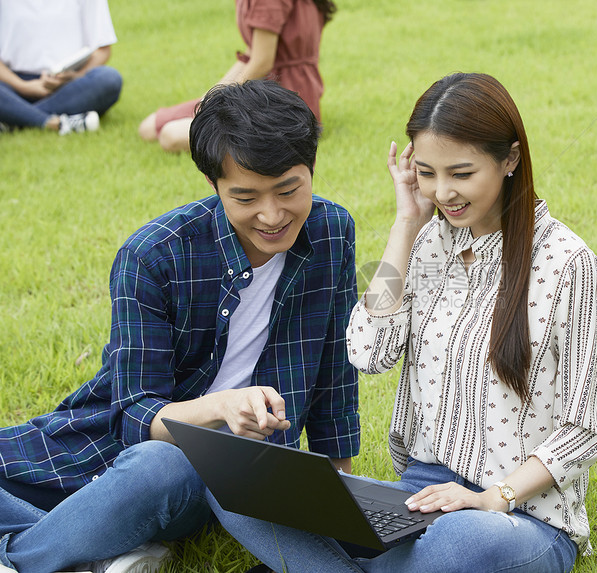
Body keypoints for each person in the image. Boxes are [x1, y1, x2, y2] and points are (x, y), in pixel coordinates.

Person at [210, 72, 597, 573]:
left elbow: (584, 430)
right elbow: (367, 350)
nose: (443, 192)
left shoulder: (568, 266)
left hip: (517, 516)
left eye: (461, 174)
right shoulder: (427, 245)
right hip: (419, 496)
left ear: (510, 159)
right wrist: (406, 224)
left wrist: (496, 497)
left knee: (457, 546)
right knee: (247, 492)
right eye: (426, 172)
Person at [0, 80, 360, 573]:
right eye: (245, 196)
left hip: (208, 479)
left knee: (163, 465)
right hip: (101, 451)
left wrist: (340, 493)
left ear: (311, 170)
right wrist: (221, 406)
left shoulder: (332, 232)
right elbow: (133, 419)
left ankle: (26, 558)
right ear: (213, 186)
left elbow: (335, 372)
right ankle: (95, 550)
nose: (272, 214)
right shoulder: (152, 255)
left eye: (289, 190)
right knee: (148, 461)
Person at [138, 0, 336, 153]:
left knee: (170, 136)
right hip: (257, 88)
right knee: (148, 128)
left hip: (279, 97)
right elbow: (250, 56)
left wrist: (218, 103)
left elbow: (262, 62)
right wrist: (210, 98)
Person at [0, 0, 123, 135]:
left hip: (67, 85)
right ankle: (52, 123)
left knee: (108, 79)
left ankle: (12, 118)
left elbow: (103, 50)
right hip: (12, 84)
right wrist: (22, 86)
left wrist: (76, 76)